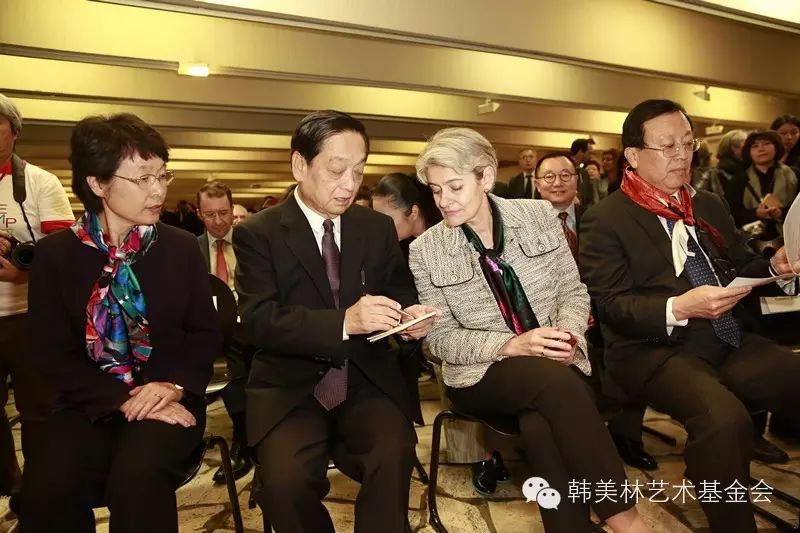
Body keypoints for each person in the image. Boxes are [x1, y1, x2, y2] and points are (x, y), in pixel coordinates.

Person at [409, 127, 650, 533]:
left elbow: (573, 291)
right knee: (550, 385)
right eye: (435, 190)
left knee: (541, 421)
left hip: (557, 365)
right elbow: (439, 340)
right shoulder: (426, 250)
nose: (443, 200)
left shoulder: (537, 216)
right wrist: (511, 344)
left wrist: (567, 336)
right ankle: (626, 520)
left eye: (454, 187)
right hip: (483, 374)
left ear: (486, 177)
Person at [579, 99, 800, 533]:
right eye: (667, 146)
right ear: (632, 156)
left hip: (726, 336)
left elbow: (740, 266)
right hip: (655, 350)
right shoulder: (606, 218)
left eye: (688, 143)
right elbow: (611, 304)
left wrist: (774, 266)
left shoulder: (708, 204)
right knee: (724, 420)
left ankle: (714, 467)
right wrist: (678, 307)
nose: (682, 155)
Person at [233, 110, 438, 533]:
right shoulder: (259, 232)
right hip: (290, 386)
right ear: (299, 165)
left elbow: (400, 291)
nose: (349, 184)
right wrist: (345, 321)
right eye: (336, 169)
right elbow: (259, 320)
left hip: (363, 378)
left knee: (394, 451)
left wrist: (411, 316)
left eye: (358, 171)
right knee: (284, 483)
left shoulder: (376, 228)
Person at [19, 113, 220, 533]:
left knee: (137, 477)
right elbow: (49, 353)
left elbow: (204, 333)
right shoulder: (56, 256)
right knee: (48, 485)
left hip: (168, 398)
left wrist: (174, 386)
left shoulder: (180, 248)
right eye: (143, 178)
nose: (158, 190)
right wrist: (121, 399)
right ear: (98, 183)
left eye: (162, 175)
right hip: (87, 402)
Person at [373, 173, 511, 496]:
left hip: (472, 329)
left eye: (385, 219)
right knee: (446, 365)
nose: (378, 227)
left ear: (413, 212)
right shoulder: (395, 250)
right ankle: (479, 456)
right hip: (425, 337)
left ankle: (489, 451)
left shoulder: (452, 236)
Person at [534, 151, 657, 471]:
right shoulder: (521, 225)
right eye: (549, 176)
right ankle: (574, 441)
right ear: (536, 184)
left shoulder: (600, 218)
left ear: (578, 180)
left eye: (565, 175)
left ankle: (626, 436)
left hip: (604, 308)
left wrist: (595, 306)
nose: (557, 182)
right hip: (550, 316)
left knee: (637, 347)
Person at [0, 93, 73, 502]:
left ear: (14, 130)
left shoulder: (40, 182)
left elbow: (65, 253)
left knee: (39, 410)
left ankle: (41, 488)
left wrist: (25, 269)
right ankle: (10, 484)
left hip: (29, 315)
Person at [196, 181, 254, 483]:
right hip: (213, 331)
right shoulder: (190, 250)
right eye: (210, 215)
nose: (219, 221)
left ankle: (254, 436)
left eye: (224, 212)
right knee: (229, 362)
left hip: (254, 325)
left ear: (232, 210)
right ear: (199, 214)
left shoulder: (252, 243)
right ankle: (242, 438)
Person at [740, 130, 798, 240]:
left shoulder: (792, 174)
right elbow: (733, 211)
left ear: (776, 147)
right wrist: (756, 213)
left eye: (766, 144)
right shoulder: (740, 178)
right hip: (753, 239)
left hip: (790, 235)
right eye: (755, 146)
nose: (761, 149)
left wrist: (781, 213)